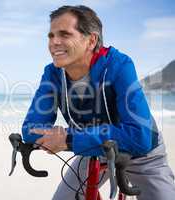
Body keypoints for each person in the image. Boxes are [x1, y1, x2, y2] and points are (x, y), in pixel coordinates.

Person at [21, 5, 175, 200]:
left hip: (142, 154)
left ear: (91, 40)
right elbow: (31, 129)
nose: (54, 42)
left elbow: (140, 136)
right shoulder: (52, 73)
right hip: (94, 150)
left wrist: (68, 139)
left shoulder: (119, 65)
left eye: (64, 34)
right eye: (51, 36)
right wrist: (65, 139)